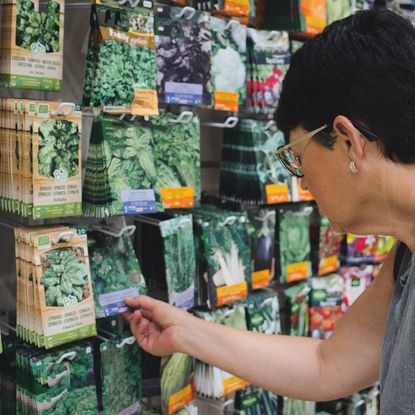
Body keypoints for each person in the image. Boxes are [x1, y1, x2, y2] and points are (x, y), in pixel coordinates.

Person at [124, 8, 415, 413]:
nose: (303, 182)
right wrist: (187, 332)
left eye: (297, 157)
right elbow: (326, 365)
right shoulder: (406, 255)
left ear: (348, 142)